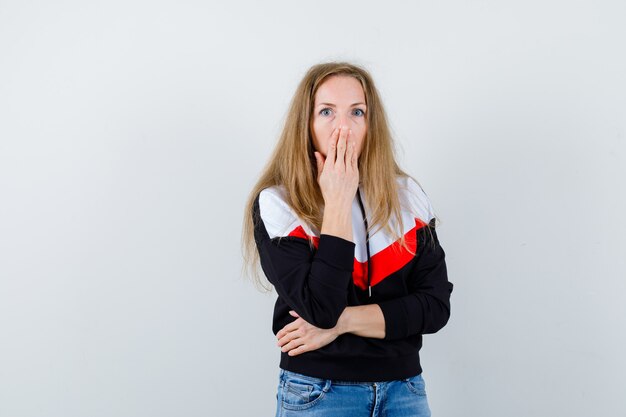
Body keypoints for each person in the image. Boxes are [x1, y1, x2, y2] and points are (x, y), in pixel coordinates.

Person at [241, 61, 454, 417]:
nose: (344, 127)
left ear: (371, 123)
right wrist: (338, 200)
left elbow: (435, 308)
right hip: (319, 393)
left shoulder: (408, 196)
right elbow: (320, 309)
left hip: (405, 390)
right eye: (327, 112)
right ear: (305, 125)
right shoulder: (277, 203)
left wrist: (345, 322)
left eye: (357, 112)